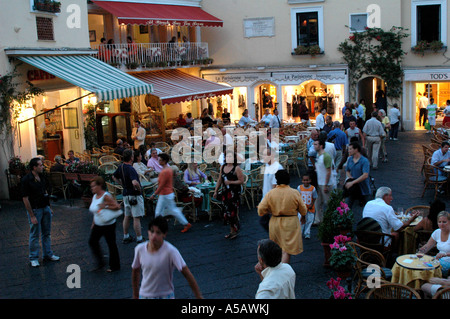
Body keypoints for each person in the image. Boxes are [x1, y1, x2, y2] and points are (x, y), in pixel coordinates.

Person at [131, 216, 203, 299]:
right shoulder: (139, 249)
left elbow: (187, 273)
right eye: (152, 231)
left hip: (165, 295)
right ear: (148, 232)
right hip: (145, 295)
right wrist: (135, 294)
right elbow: (135, 272)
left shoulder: (171, 251)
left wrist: (198, 296)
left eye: (158, 233)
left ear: (164, 234)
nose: (154, 236)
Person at [257, 170, 307, 264]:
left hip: (275, 222)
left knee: (277, 248)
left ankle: (278, 267)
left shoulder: (271, 193)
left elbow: (260, 209)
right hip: (290, 222)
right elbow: (303, 210)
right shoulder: (294, 193)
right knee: (286, 250)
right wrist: (303, 217)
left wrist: (270, 210)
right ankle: (284, 271)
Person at [21, 157, 60, 267]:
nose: (42, 166)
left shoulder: (42, 177)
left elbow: (45, 192)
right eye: (40, 165)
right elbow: (25, 198)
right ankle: (33, 257)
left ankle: (47, 254)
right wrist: (32, 215)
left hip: (45, 207)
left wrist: (49, 207)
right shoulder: (26, 180)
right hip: (35, 209)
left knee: (46, 233)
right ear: (34, 167)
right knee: (34, 234)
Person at [362, 187, 419, 251]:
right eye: (390, 195)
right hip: (379, 241)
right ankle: (391, 254)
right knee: (396, 234)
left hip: (365, 238)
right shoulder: (387, 208)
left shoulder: (368, 203)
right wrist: (412, 218)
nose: (392, 198)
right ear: (385, 196)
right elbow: (399, 227)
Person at [149, 153, 192, 233]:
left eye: (160, 160)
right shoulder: (168, 170)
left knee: (160, 211)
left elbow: (161, 185)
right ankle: (185, 223)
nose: (159, 161)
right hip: (168, 193)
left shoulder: (164, 171)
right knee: (171, 210)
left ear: (164, 161)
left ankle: (158, 228)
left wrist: (154, 194)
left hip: (165, 194)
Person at [88, 176, 121, 272]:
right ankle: (101, 261)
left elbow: (117, 207)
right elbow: (95, 210)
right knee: (92, 241)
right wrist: (93, 222)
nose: (92, 188)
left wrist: (105, 206)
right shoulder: (94, 196)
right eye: (91, 186)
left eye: (94, 186)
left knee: (111, 244)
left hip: (108, 224)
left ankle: (114, 266)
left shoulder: (106, 196)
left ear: (100, 186)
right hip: (98, 224)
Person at [113, 149, 145, 244]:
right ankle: (139, 238)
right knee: (136, 217)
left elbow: (114, 177)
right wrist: (139, 189)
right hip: (134, 195)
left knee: (127, 216)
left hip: (125, 194)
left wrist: (122, 184)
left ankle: (126, 236)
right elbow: (135, 182)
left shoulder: (121, 166)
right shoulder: (131, 168)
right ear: (131, 157)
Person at [213, 151, 244, 239]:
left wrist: (230, 182)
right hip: (225, 192)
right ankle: (232, 230)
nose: (229, 158)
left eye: (230, 156)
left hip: (234, 193)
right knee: (226, 212)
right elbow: (219, 180)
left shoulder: (236, 168)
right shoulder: (223, 167)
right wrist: (216, 191)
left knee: (232, 212)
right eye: (227, 156)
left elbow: (241, 181)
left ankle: (234, 231)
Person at [417, 211, 450, 277]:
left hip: (448, 262)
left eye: (444, 222)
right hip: (438, 259)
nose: (441, 224)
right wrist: (420, 252)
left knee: (427, 270)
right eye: (439, 222)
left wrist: (444, 254)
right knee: (420, 265)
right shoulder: (437, 232)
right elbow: (427, 246)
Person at [259, 149, 284, 232]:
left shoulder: (277, 168)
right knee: (265, 221)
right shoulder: (267, 165)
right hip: (266, 199)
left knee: (267, 221)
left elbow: (276, 187)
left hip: (273, 200)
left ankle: (277, 238)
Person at [314, 138, 336, 225]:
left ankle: (331, 220)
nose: (314, 146)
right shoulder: (318, 155)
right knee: (318, 203)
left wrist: (326, 185)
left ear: (321, 146)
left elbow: (328, 171)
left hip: (325, 183)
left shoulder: (326, 156)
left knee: (328, 203)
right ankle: (319, 220)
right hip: (320, 183)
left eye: (316, 144)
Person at [344, 141, 371, 208]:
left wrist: (352, 182)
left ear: (356, 149)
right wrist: (351, 179)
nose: (349, 151)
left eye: (350, 149)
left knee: (366, 208)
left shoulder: (364, 161)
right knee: (347, 206)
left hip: (363, 188)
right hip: (353, 188)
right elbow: (347, 170)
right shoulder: (350, 159)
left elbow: (365, 175)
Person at [297, 173, 317, 239]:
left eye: (307, 180)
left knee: (309, 220)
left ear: (310, 180)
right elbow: (297, 197)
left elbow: (314, 197)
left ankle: (307, 233)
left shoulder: (313, 188)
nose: (306, 182)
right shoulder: (299, 188)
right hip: (302, 208)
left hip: (310, 208)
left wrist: (311, 204)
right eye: (304, 180)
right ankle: (300, 232)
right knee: (301, 221)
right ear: (302, 181)